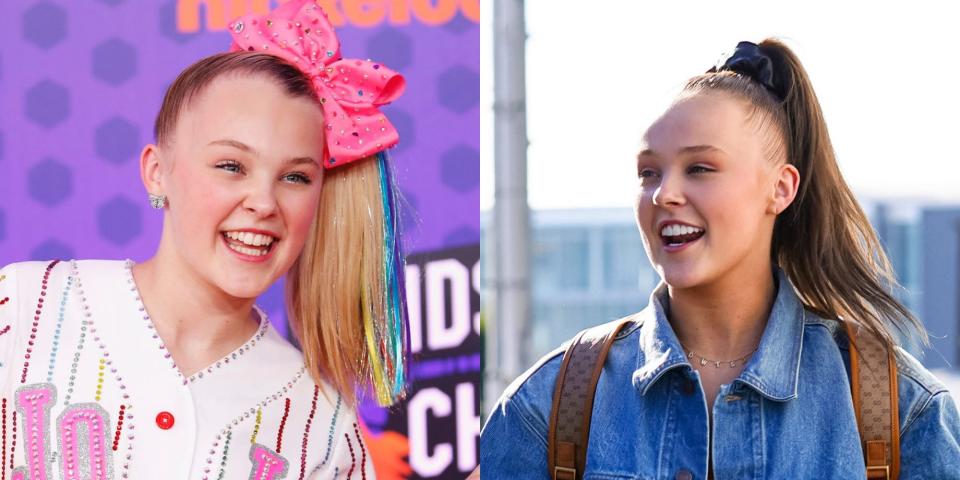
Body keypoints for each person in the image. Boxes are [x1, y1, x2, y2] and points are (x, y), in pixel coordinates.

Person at [480, 39, 960, 478]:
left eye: (700, 168)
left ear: (781, 188)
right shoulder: (549, 405)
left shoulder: (899, 409)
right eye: (648, 172)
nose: (664, 194)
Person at [0, 0, 409, 478]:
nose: (263, 201)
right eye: (231, 166)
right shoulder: (24, 305)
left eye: (295, 177)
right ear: (157, 173)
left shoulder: (323, 425)